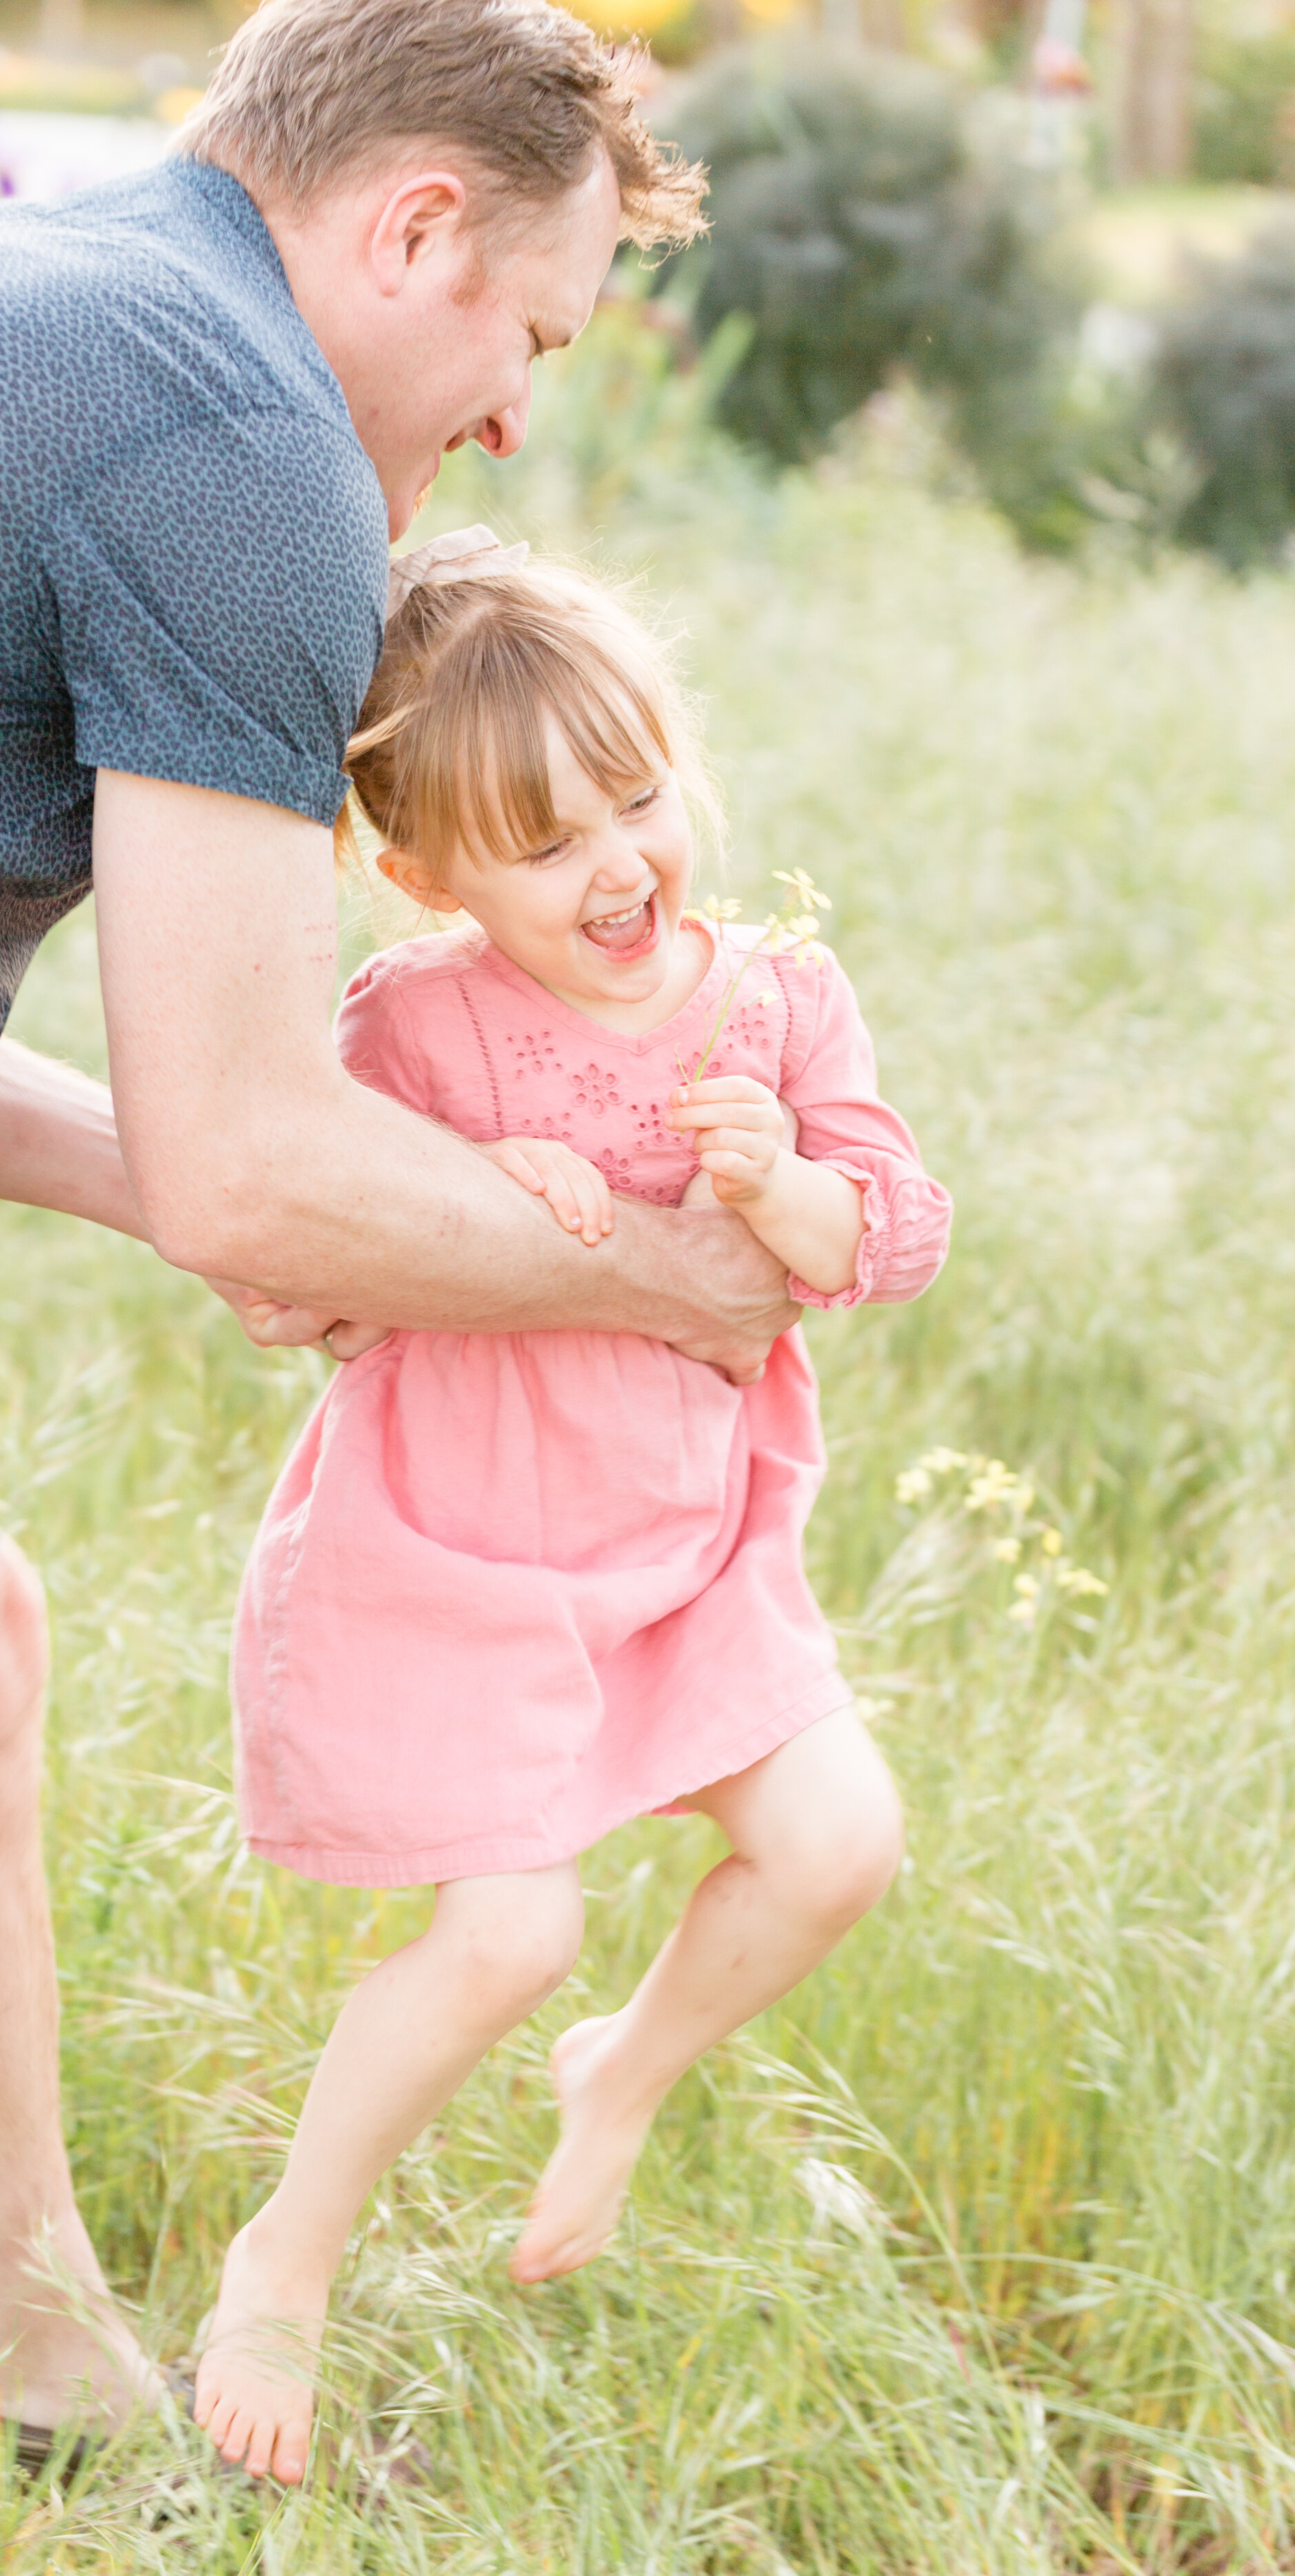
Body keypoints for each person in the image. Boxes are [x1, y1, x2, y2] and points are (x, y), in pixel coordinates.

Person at [0, 0, 804, 2466]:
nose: (511, 422)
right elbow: (254, 1148)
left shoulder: (6, 301)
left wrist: (234, 1209)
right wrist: (658, 1276)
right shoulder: (239, 448)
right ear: (415, 221)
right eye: (526, 337)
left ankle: (38, 2389)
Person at [192, 545, 954, 2485]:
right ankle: (288, 2253)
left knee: (836, 1841)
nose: (618, 863)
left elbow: (887, 1234)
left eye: (636, 797)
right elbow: (315, 1240)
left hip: (690, 1551)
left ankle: (621, 2076)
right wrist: (462, 1183)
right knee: (502, 1933)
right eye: (543, 843)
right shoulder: (408, 1024)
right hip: (467, 1545)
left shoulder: (775, 997)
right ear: (432, 877)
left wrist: (776, 1187)